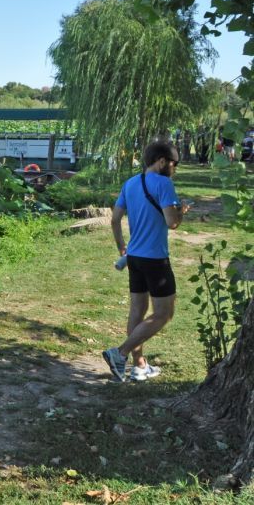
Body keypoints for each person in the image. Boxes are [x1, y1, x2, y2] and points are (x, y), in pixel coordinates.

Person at [104, 140, 187, 382]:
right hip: (155, 259)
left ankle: (139, 366)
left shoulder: (131, 183)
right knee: (163, 314)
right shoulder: (164, 183)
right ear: (161, 161)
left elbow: (114, 219)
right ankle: (120, 353)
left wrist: (122, 248)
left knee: (137, 311)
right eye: (174, 164)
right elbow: (172, 222)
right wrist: (181, 212)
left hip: (135, 257)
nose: (174, 168)